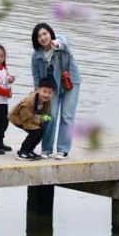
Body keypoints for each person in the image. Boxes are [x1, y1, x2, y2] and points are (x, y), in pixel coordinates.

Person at [30, 23, 82, 159]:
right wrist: (38, 94)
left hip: (70, 83)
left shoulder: (59, 41)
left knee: (67, 116)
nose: (43, 37)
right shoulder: (36, 56)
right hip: (50, 89)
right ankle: (46, 149)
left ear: (50, 33)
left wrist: (57, 44)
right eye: (39, 36)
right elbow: (36, 76)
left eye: (45, 34)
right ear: (36, 40)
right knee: (50, 116)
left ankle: (63, 149)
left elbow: (65, 42)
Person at [9, 78, 56, 160]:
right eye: (44, 91)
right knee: (35, 131)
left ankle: (29, 150)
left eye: (50, 93)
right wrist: (40, 119)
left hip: (30, 118)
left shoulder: (47, 101)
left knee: (40, 131)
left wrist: (44, 118)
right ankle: (22, 152)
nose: (46, 95)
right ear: (38, 90)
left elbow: (44, 114)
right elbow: (25, 117)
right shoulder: (29, 101)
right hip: (18, 117)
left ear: (53, 94)